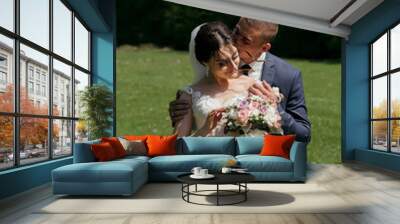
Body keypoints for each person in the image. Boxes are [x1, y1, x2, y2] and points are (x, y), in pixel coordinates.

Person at [171, 18, 311, 142]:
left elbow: (303, 134)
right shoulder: (219, 45)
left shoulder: (287, 76)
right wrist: (189, 108)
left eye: (245, 40)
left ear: (264, 47)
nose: (235, 41)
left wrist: (276, 110)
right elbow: (180, 141)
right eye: (236, 32)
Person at [174, 21, 257, 137]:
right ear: (204, 62)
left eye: (235, 56)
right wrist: (205, 130)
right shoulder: (189, 95)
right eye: (222, 63)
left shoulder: (251, 85)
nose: (234, 67)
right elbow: (178, 145)